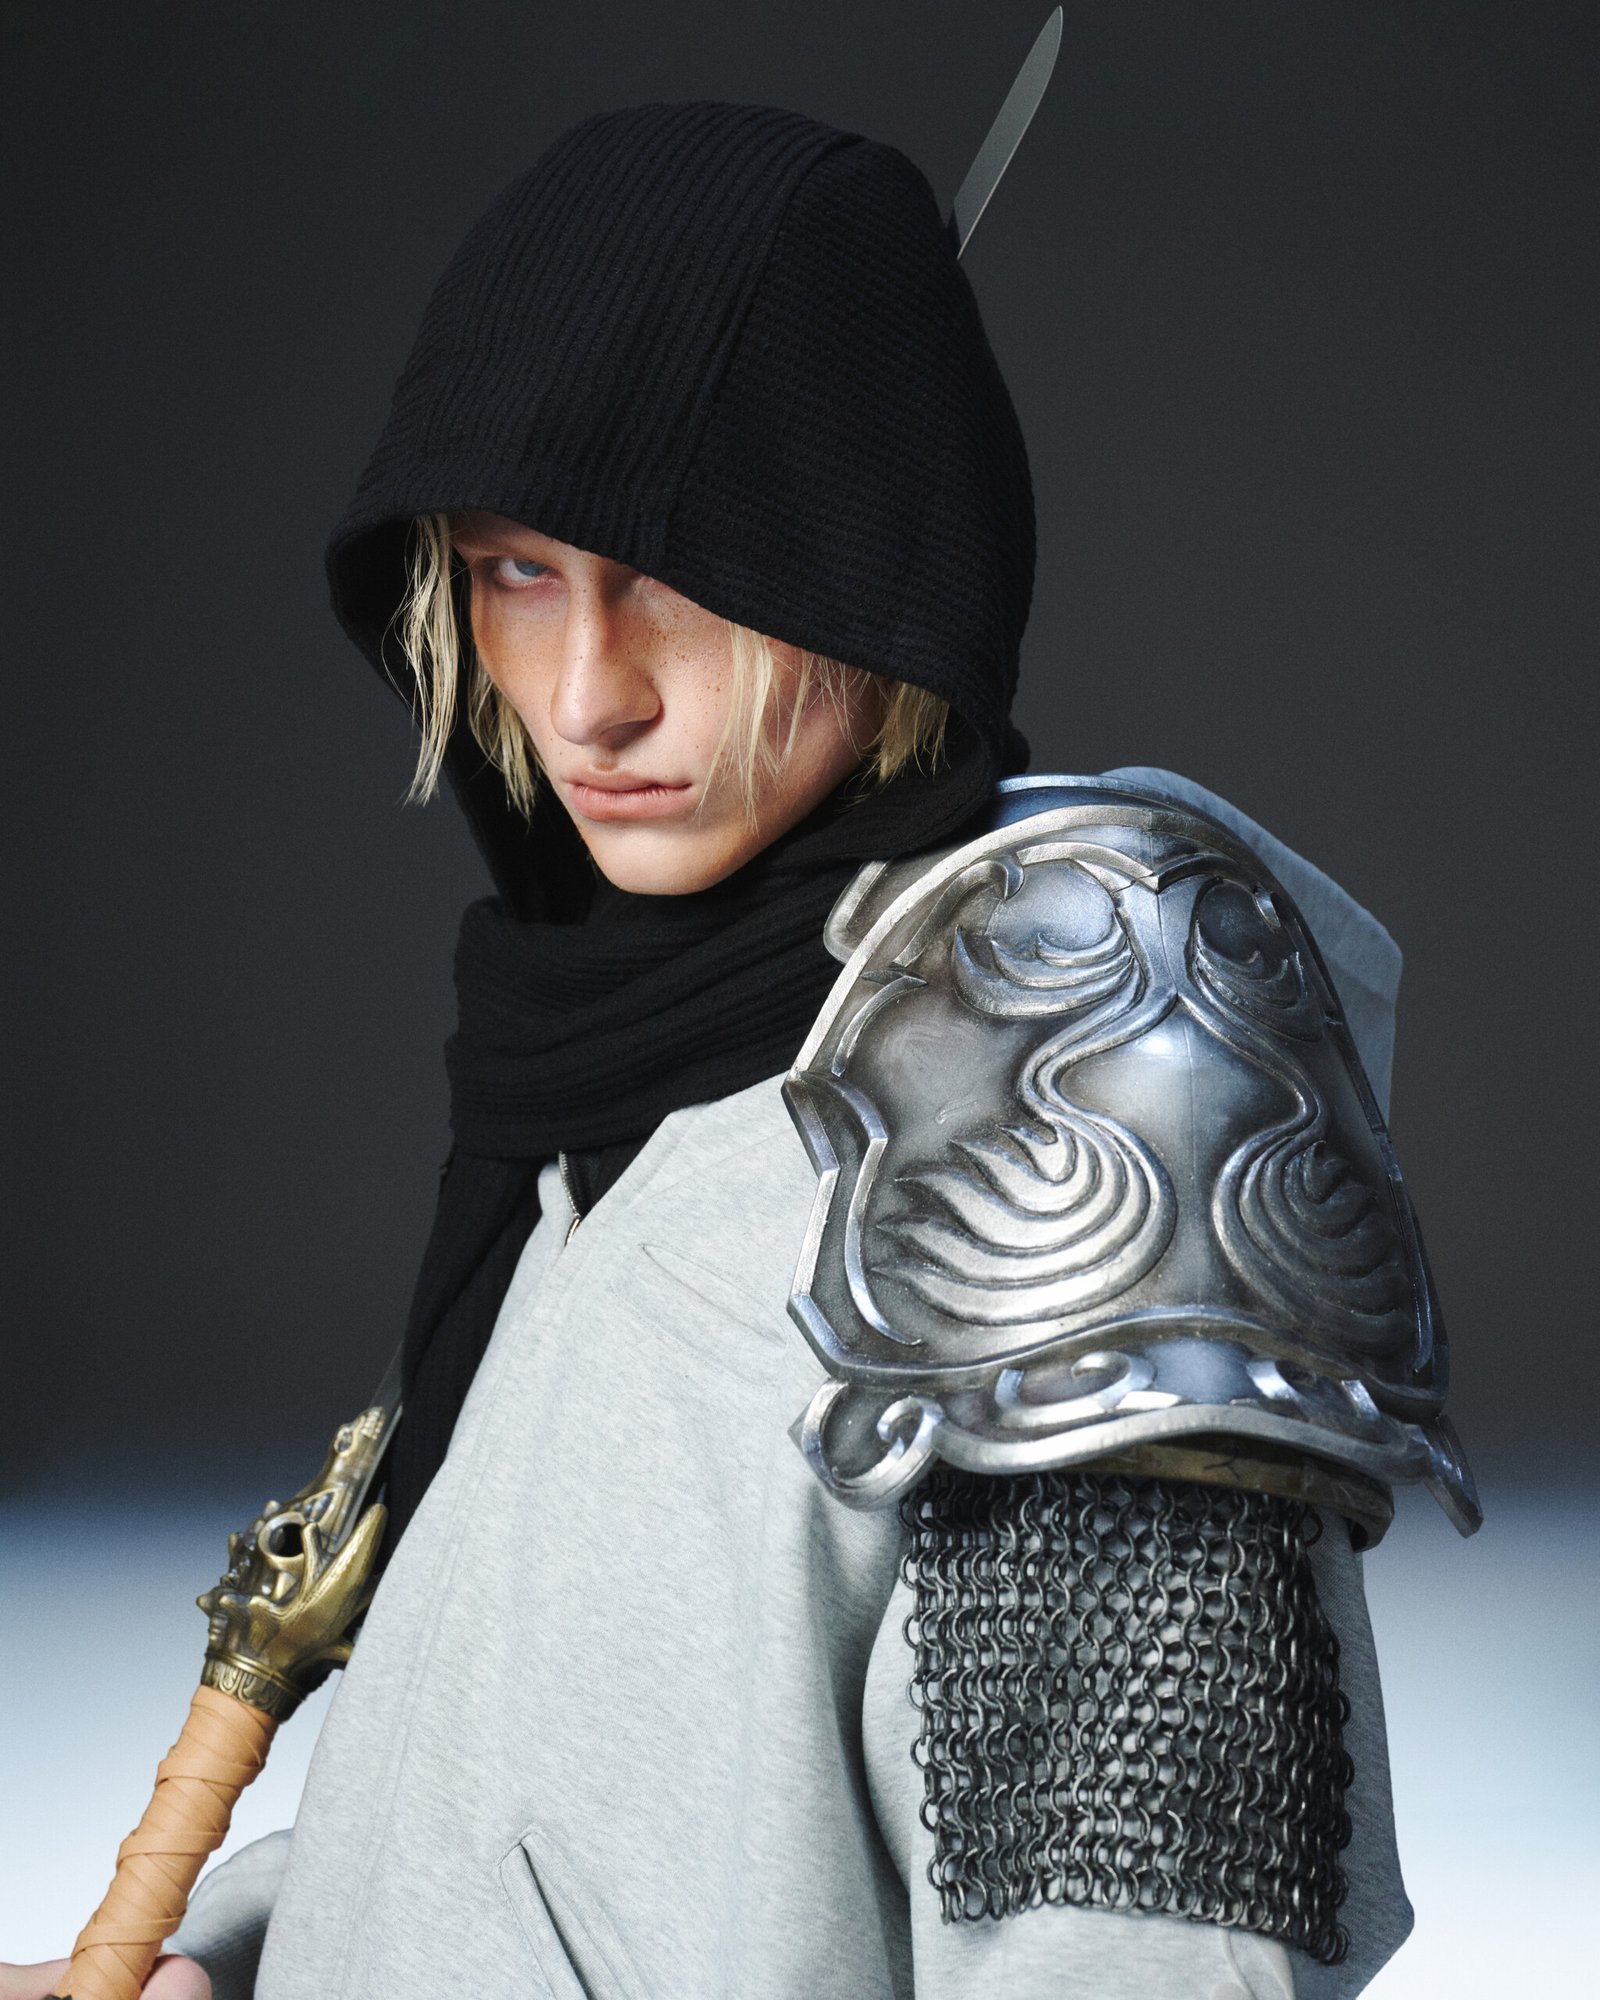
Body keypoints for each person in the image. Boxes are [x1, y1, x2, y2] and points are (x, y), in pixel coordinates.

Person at [7, 99, 1464, 2000]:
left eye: (676, 577)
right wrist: (236, 1962)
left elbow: (1140, 1962)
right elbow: (542, 1828)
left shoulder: (1072, 1160)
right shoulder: (589, 1096)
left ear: (887, 575)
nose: (587, 696)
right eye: (518, 572)